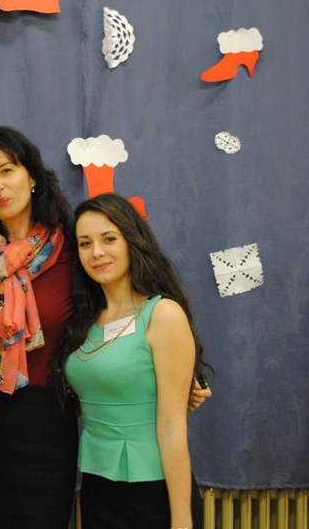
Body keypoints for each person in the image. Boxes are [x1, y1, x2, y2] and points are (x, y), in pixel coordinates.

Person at [0, 126, 211, 528]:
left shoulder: (75, 250)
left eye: (7, 170)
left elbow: (125, 315)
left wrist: (181, 379)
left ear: (32, 176)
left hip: (45, 425)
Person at [55, 193, 208, 528]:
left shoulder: (162, 313)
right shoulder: (84, 320)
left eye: (109, 239)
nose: (96, 252)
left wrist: (182, 520)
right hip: (96, 486)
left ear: (132, 242)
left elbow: (172, 429)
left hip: (153, 489)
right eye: (85, 244)